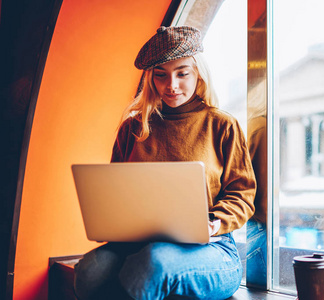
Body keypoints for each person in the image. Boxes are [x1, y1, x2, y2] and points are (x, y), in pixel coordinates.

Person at [74, 26, 256, 300]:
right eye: (161, 75)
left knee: (154, 261)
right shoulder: (133, 128)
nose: (171, 85)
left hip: (212, 249)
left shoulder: (222, 125)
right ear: (151, 79)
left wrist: (212, 222)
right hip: (138, 245)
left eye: (182, 73)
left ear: (199, 74)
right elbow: (114, 193)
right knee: (89, 271)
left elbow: (243, 195)